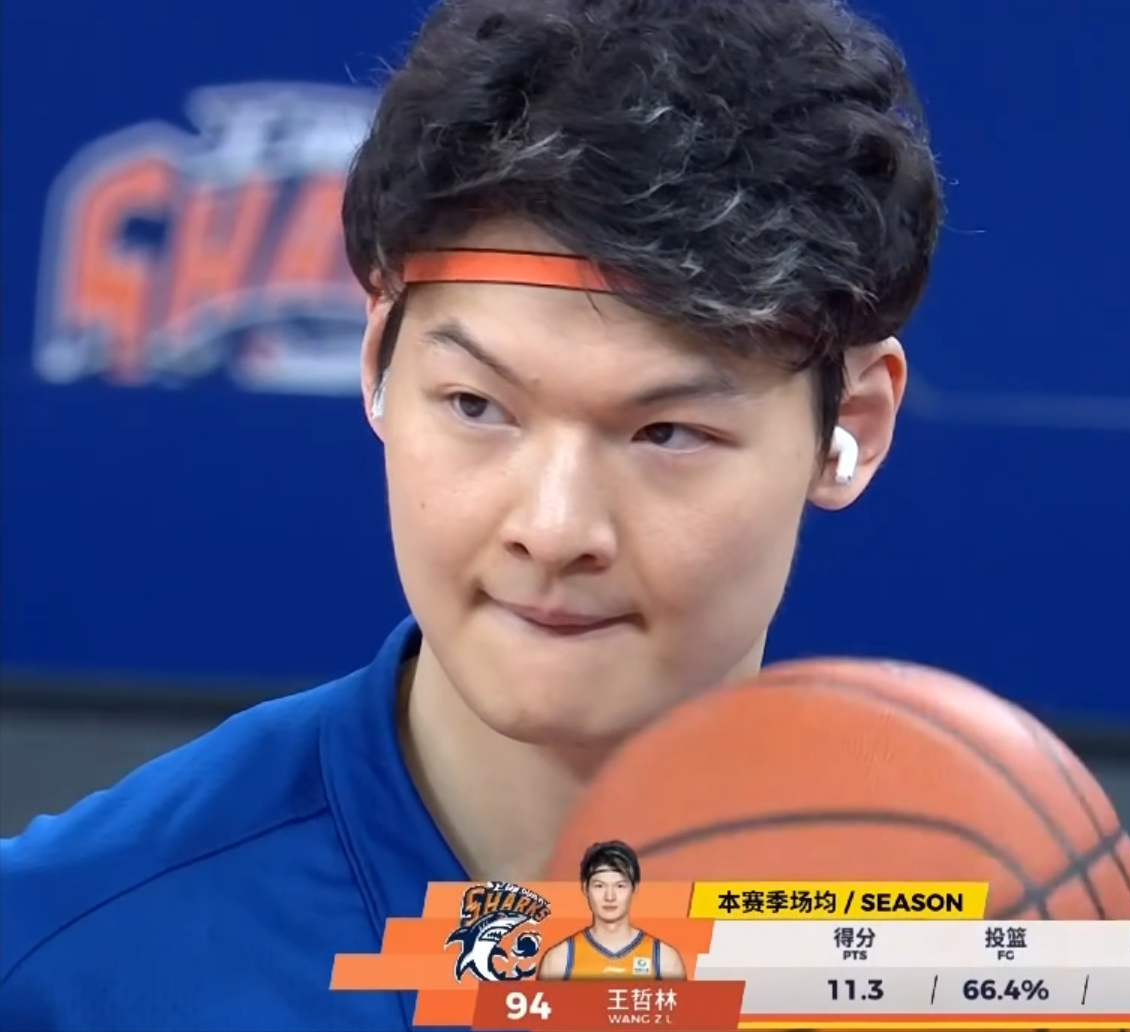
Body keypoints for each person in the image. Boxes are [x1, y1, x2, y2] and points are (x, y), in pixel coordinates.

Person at [0, 0, 941, 1028]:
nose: (555, 527)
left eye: (666, 432)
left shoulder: (980, 952)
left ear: (852, 425)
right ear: (378, 363)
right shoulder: (62, 961)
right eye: (477, 406)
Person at [538, 841, 685, 980]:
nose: (610, 897)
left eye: (620, 886)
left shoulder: (664, 961)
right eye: (599, 886)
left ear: (634, 888)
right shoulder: (559, 962)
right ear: (585, 888)